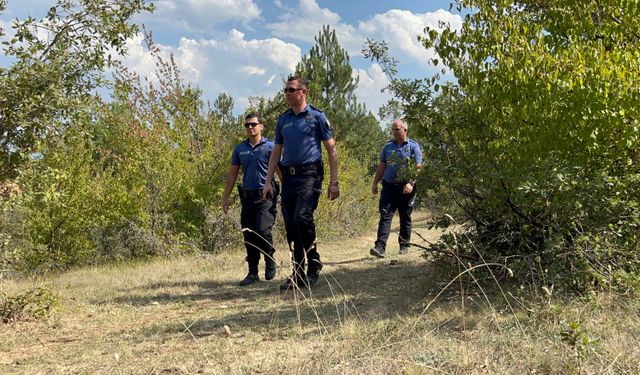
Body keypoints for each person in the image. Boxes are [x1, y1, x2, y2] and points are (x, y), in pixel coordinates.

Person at [262, 76, 340, 290]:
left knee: (301, 217)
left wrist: (334, 181)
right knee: (290, 225)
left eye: (291, 90)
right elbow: (276, 152)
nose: (287, 93)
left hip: (310, 174)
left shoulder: (316, 117)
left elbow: (331, 150)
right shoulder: (283, 120)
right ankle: (299, 273)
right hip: (289, 177)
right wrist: (268, 181)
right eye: (285, 90)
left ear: (303, 92)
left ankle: (312, 263)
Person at [222, 113, 281, 286]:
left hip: (266, 197)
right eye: (247, 125)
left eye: (253, 124)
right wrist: (226, 197)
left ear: (261, 126)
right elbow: (233, 174)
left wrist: (288, 193)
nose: (250, 128)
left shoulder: (270, 147)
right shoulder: (240, 149)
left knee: (263, 230)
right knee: (248, 234)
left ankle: (270, 258)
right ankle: (253, 273)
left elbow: (279, 170)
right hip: (247, 197)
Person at [370, 119, 423, 258]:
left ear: (405, 130)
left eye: (397, 129)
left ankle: (404, 245)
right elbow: (382, 166)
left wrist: (411, 183)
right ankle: (380, 247)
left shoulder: (413, 146)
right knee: (385, 215)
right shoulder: (387, 147)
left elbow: (418, 167)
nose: (394, 132)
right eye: (393, 129)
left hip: (406, 188)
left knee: (405, 216)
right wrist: (375, 183)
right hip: (388, 187)